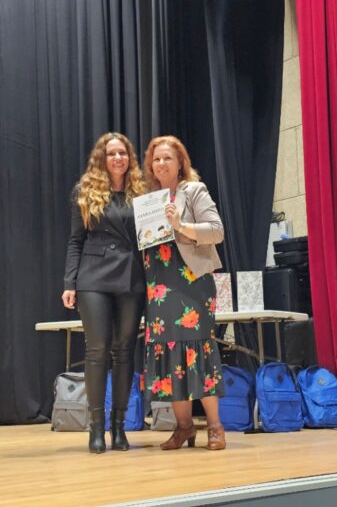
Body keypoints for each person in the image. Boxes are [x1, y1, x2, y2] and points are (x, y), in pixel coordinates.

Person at [62, 133, 147, 453]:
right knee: (97, 350)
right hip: (93, 278)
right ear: (102, 158)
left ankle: (119, 426)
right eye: (111, 153)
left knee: (124, 351)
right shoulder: (85, 191)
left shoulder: (142, 192)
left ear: (129, 157)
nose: (117, 158)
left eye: (122, 153)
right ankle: (96, 428)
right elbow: (75, 240)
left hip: (131, 277)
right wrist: (69, 283)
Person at [142, 136, 226, 450]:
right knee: (170, 354)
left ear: (180, 164)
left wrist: (181, 225)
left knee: (197, 351)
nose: (161, 164)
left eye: (168, 158)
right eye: (156, 159)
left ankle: (215, 427)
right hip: (159, 287)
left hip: (191, 283)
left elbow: (216, 230)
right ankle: (184, 428)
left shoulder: (194, 190)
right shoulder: (147, 200)